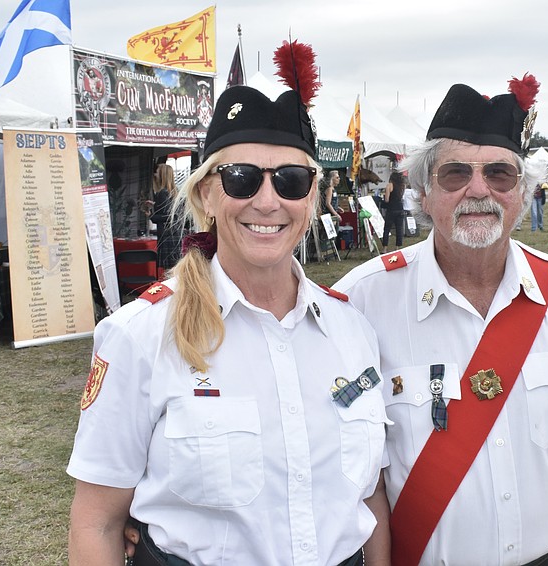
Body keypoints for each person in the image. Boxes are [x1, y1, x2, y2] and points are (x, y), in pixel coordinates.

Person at [67, 84, 391, 566]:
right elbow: (98, 521)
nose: (267, 201)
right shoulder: (141, 334)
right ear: (206, 193)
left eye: (291, 180)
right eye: (241, 179)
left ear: (313, 197)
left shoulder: (352, 330)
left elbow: (369, 500)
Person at [335, 79, 548, 566]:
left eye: (500, 174)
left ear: (522, 192)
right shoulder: (362, 301)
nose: (478, 189)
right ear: (423, 189)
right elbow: (347, 474)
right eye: (455, 173)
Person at [147, 163, 186, 271]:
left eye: (157, 171)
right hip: (175, 234)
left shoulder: (162, 193)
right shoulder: (175, 192)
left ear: (162, 174)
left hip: (167, 236)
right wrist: (155, 205)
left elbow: (167, 217)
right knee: (175, 270)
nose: (155, 174)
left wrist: (151, 214)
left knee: (169, 270)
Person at [382, 170, 407, 252]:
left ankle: (385, 248)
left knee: (387, 229)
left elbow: (387, 200)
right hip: (400, 208)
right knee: (399, 229)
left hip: (391, 209)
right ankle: (398, 247)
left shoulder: (389, 185)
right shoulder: (403, 186)